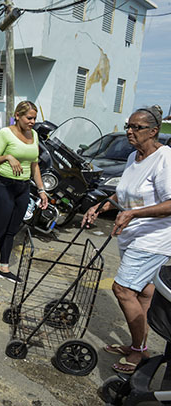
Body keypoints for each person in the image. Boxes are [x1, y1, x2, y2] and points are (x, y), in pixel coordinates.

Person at [83, 105, 171, 374]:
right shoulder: (134, 156)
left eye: (136, 127)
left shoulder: (164, 159)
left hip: (153, 239)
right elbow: (125, 195)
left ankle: (139, 353)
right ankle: (138, 347)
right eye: (128, 127)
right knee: (143, 294)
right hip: (132, 237)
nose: (130, 132)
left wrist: (133, 214)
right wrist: (101, 207)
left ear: (154, 131)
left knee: (122, 289)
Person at [0, 101, 48, 288]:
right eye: (29, 118)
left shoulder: (33, 135)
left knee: (12, 230)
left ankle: (4, 268)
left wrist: (41, 190)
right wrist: (8, 157)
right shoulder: (5, 134)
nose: (32, 122)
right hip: (3, 186)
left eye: (34, 118)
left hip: (23, 187)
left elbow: (34, 164)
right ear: (17, 115)